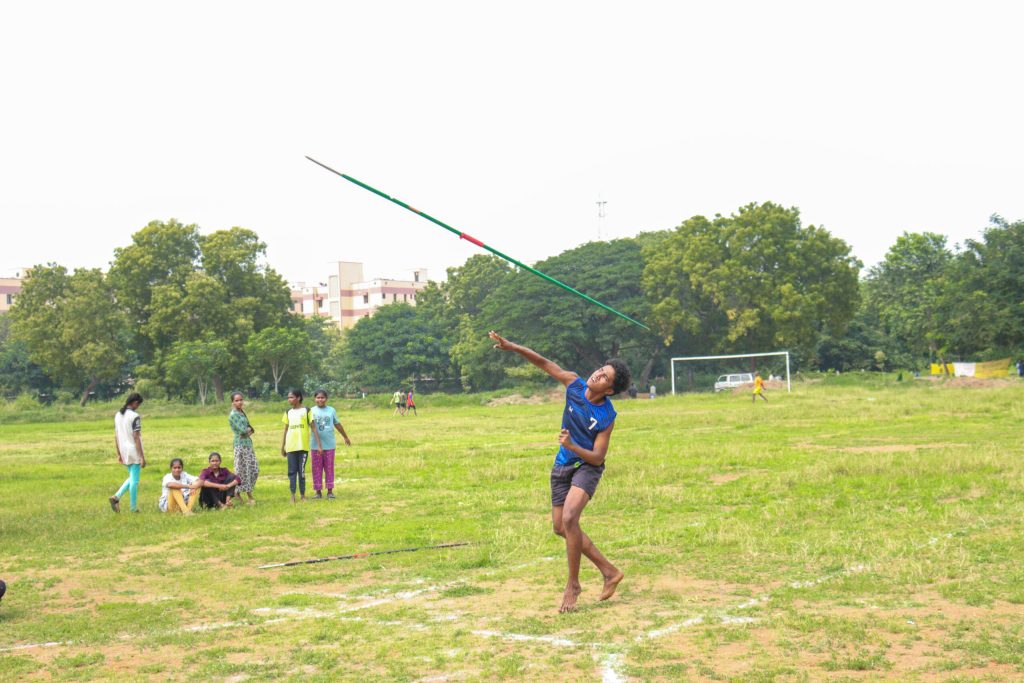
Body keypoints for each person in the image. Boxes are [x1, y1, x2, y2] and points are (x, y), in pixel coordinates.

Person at [489, 330, 630, 613]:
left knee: (569, 518)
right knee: (560, 527)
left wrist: (572, 445)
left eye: (604, 377)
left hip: (587, 466)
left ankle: (573, 584)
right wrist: (512, 346)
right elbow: (543, 362)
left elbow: (598, 455)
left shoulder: (607, 416)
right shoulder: (574, 384)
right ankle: (609, 571)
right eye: (600, 370)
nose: (597, 375)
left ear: (610, 390)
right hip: (562, 464)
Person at [281, 389, 322, 503]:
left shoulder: (307, 410)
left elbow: (313, 428)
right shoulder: (288, 412)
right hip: (290, 447)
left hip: (303, 447)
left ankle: (303, 495)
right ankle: (293, 495)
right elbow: (285, 430)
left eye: (291, 397)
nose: (289, 399)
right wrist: (282, 447)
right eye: (288, 397)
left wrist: (319, 445)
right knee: (292, 472)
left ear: (298, 398)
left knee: (301, 471)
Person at [310, 389, 352, 500]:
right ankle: (318, 492)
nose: (320, 400)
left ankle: (330, 492)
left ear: (326, 399)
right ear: (314, 399)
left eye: (322, 397)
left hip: (329, 445)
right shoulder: (311, 411)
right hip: (315, 445)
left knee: (329, 468)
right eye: (318, 397)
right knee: (316, 468)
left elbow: (337, 424)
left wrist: (345, 437)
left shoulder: (331, 410)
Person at [109, 393, 146, 513]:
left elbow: (116, 436)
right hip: (133, 450)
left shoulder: (118, 415)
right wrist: (142, 457)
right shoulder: (135, 416)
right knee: (134, 481)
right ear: (135, 403)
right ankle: (133, 507)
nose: (138, 407)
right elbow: (136, 437)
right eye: (138, 404)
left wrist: (119, 453)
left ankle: (116, 497)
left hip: (123, 450)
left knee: (132, 477)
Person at [229, 392, 259, 505]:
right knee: (243, 470)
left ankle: (237, 490)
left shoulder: (241, 412)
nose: (239, 402)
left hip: (248, 444)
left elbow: (250, 430)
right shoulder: (233, 415)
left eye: (241, 400)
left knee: (254, 470)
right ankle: (248, 495)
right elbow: (243, 431)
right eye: (236, 400)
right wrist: (248, 430)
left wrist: (248, 431)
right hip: (240, 445)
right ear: (232, 402)